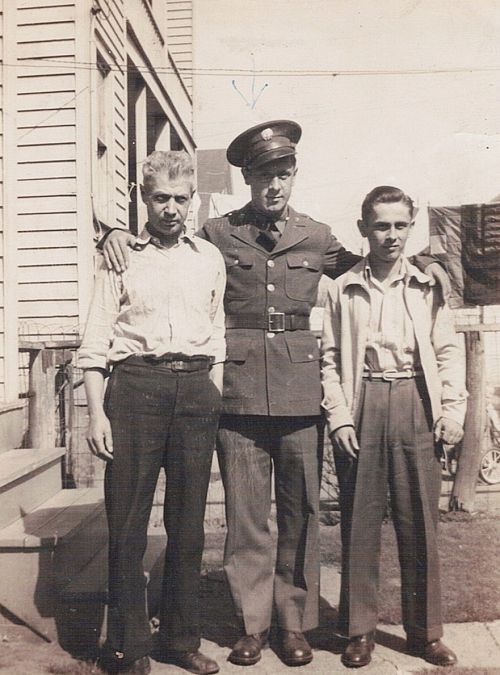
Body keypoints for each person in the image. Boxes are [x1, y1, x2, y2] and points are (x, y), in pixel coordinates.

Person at [101, 122, 449, 668]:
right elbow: (165, 240)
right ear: (247, 178)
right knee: (246, 519)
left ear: (294, 175)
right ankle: (252, 626)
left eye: (284, 173)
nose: (275, 185)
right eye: (265, 175)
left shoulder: (317, 235)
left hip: (299, 393)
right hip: (236, 394)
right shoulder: (217, 232)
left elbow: (372, 264)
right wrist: (115, 235)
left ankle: (294, 625)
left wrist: (427, 261)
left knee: (300, 513)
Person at [79, 151, 226, 675]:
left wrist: (210, 393)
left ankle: (180, 640)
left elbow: (217, 332)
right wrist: (96, 414)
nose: (171, 209)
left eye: (180, 199)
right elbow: (96, 341)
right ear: (144, 198)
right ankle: (128, 646)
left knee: (188, 525)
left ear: (192, 200)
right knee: (128, 524)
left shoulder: (208, 257)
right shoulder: (121, 257)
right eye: (161, 197)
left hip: (195, 392)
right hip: (136, 389)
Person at [321, 185, 467, 668]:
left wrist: (452, 412)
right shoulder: (342, 288)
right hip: (363, 399)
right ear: (363, 229)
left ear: (411, 227)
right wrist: (340, 416)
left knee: (419, 521)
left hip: (415, 401)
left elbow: (448, 351)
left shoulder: (428, 285)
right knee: (359, 523)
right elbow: (329, 359)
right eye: (381, 226)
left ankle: (425, 633)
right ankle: (358, 631)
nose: (391, 236)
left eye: (401, 225)